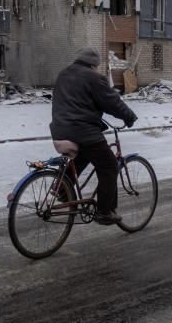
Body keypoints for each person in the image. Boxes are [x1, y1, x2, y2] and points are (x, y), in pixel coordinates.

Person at [50, 47, 137, 225]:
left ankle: (62, 189)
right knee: (109, 165)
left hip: (59, 129)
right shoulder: (93, 77)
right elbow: (111, 102)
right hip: (83, 131)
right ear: (93, 64)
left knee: (82, 156)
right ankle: (104, 212)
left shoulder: (63, 74)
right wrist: (129, 116)